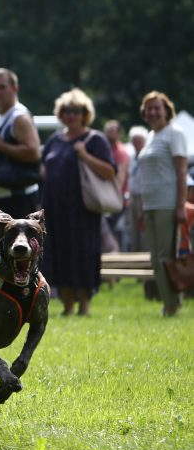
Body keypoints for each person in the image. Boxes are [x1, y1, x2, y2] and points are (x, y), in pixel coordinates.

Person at [41, 89, 116, 316]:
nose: (71, 115)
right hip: (55, 211)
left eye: (76, 111)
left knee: (82, 255)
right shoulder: (54, 139)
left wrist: (84, 155)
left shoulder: (95, 140)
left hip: (83, 212)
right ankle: (67, 305)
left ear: (85, 114)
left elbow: (110, 172)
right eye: (66, 110)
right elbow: (44, 173)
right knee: (60, 255)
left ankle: (84, 305)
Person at [0, 68, 41, 245]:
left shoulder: (19, 117)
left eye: (2, 87)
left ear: (15, 88)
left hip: (17, 201)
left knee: (17, 257)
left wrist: (1, 146)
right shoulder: (3, 117)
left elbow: (33, 152)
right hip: (1, 200)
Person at [137, 91, 188, 316]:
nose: (153, 112)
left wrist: (180, 206)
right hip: (150, 205)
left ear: (167, 110)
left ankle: (172, 304)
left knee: (166, 258)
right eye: (149, 108)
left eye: (157, 107)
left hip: (168, 205)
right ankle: (170, 301)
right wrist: (141, 207)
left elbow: (181, 172)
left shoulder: (174, 133)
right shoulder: (150, 136)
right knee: (156, 259)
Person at [102, 119, 131, 252]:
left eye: (112, 131)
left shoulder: (120, 152)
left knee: (112, 232)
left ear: (118, 133)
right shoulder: (105, 150)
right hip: (106, 197)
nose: (109, 134)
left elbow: (119, 180)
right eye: (108, 131)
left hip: (115, 199)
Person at [126, 125, 149, 252]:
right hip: (133, 196)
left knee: (143, 228)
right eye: (134, 141)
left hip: (143, 196)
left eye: (139, 140)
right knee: (133, 229)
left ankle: (145, 255)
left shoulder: (147, 157)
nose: (136, 143)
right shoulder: (131, 157)